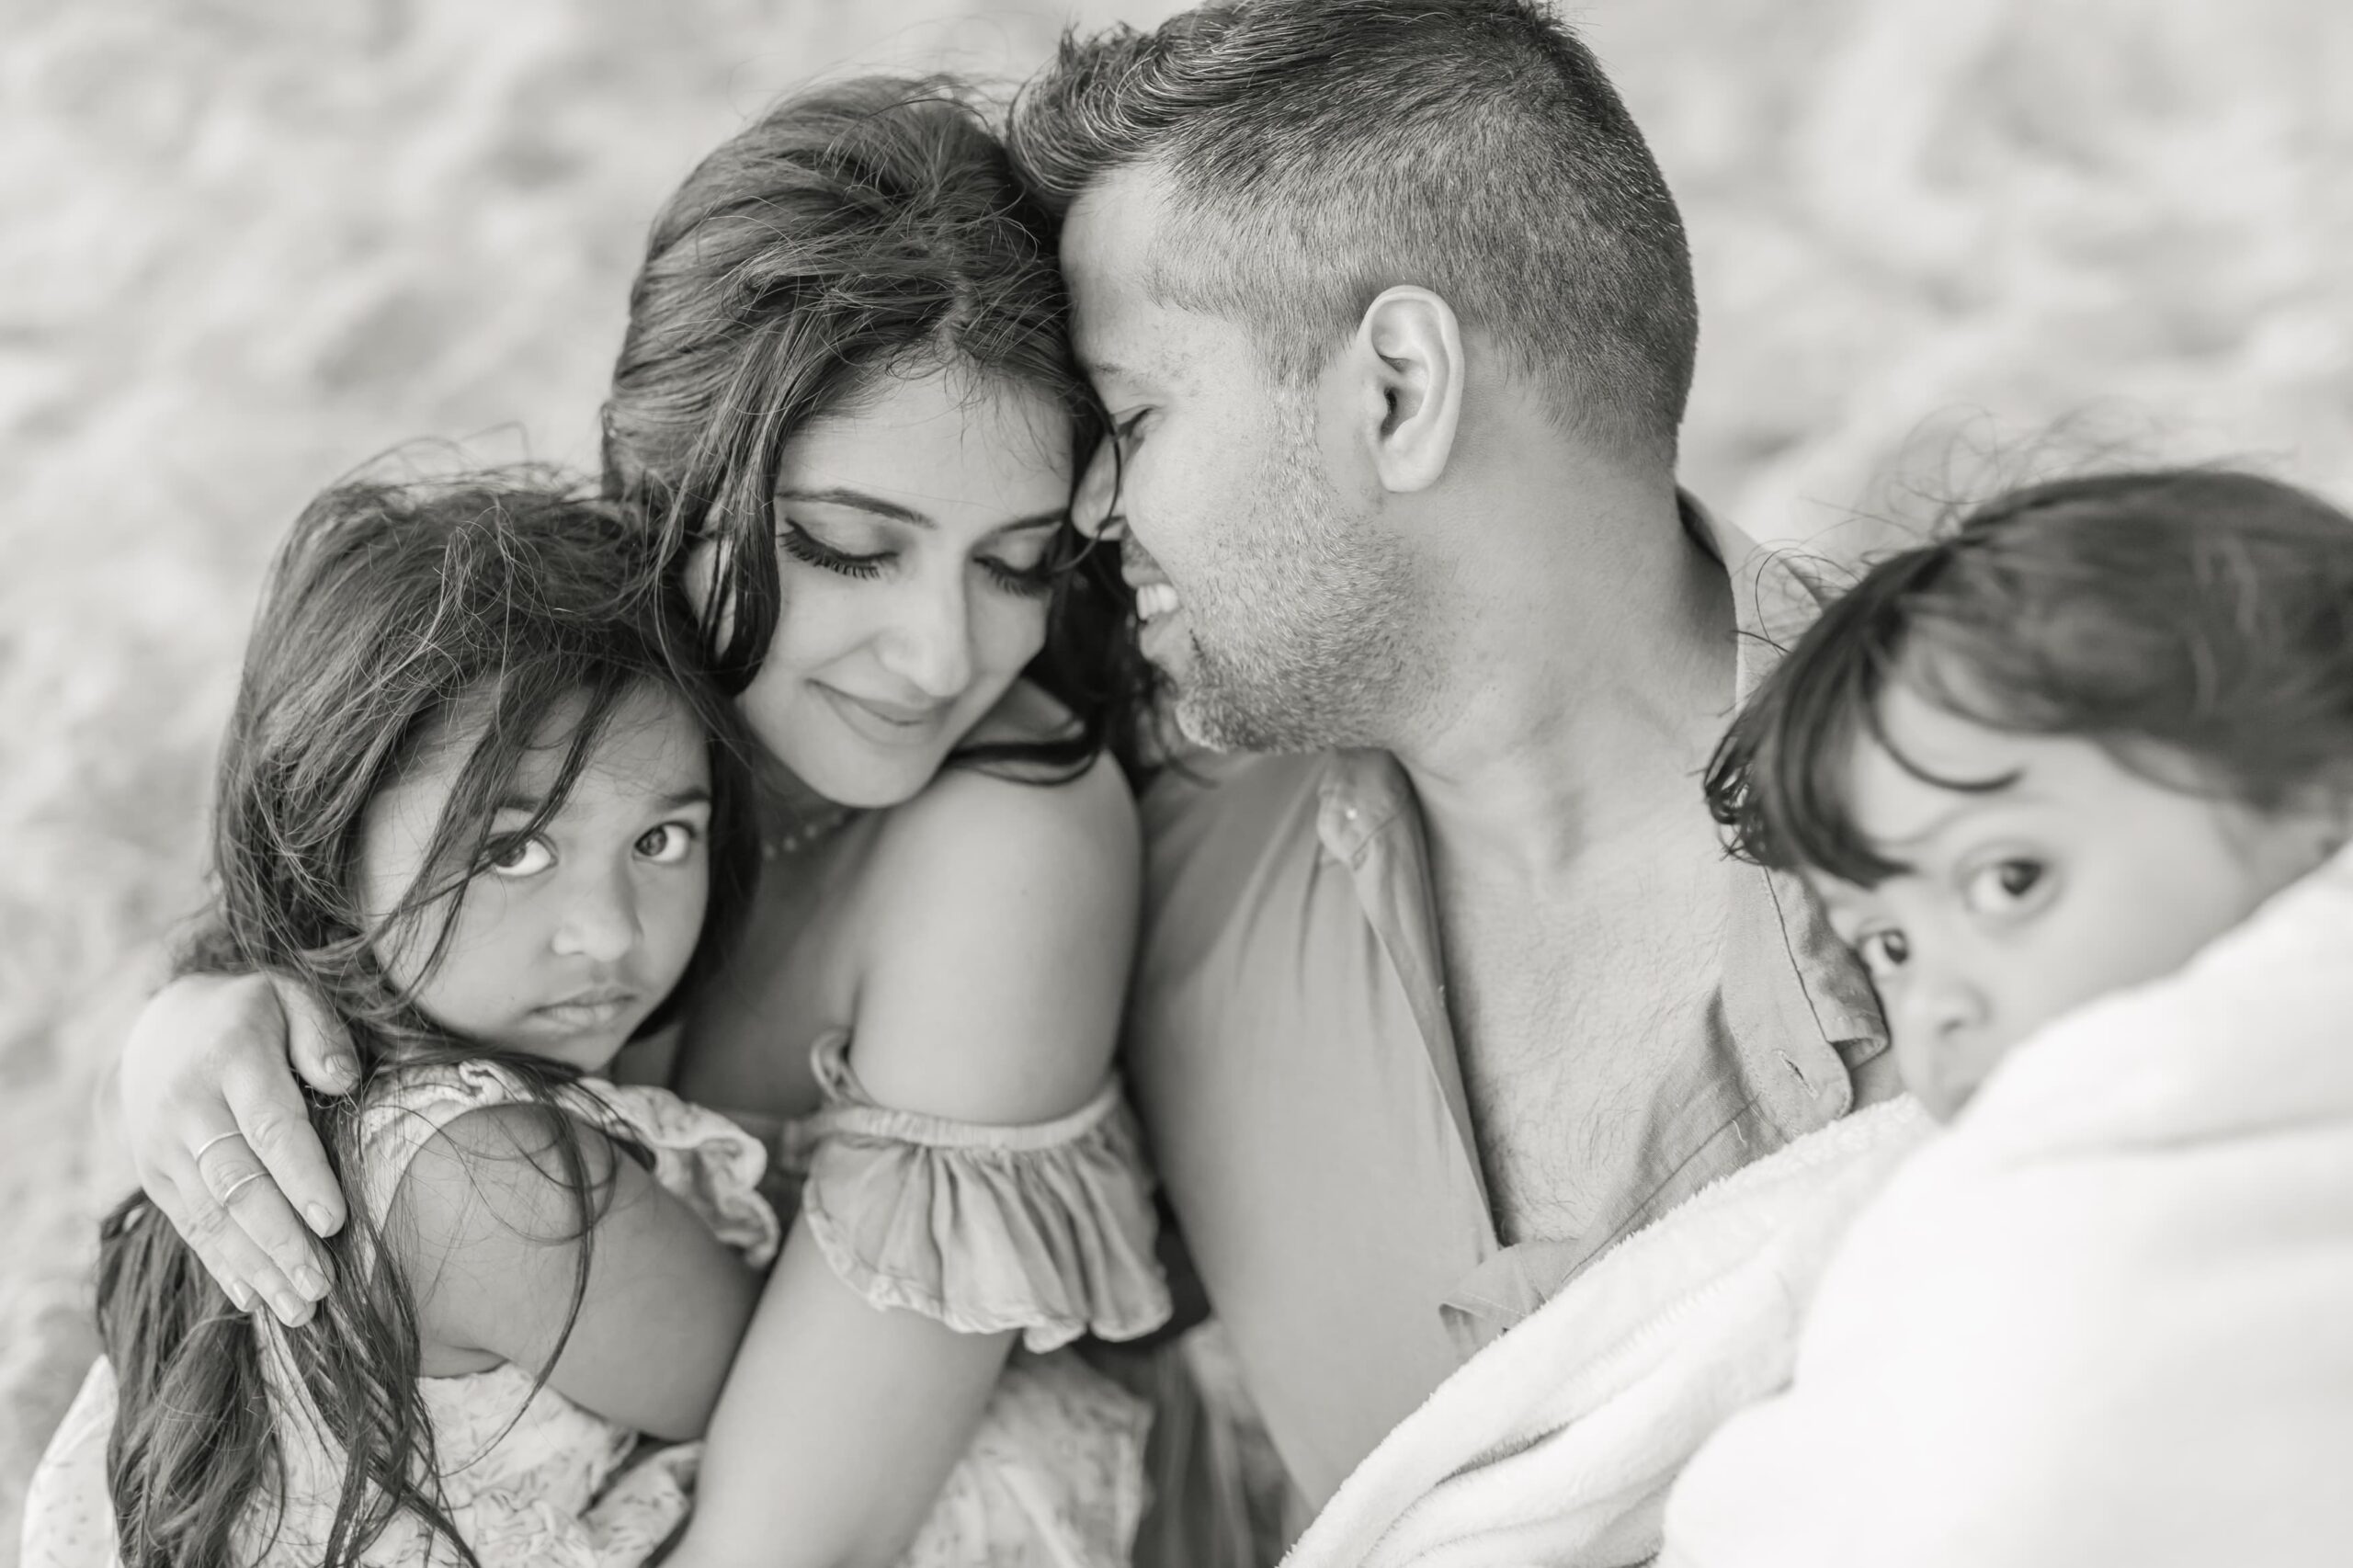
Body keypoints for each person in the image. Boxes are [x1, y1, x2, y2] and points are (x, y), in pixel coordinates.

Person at [93, 81, 1237, 1568]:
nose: (943, 657)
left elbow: (788, 1543)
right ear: (665, 477)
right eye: (846, 548)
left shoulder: (1003, 842)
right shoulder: (550, 673)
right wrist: (187, 1026)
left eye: (1018, 564)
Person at [1002, 0, 1896, 1524]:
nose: (1089, 508)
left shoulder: (2026, 824)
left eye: (1136, 414)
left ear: (1399, 390)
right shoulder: (1135, 893)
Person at [22, 474, 1156, 1568]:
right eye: (513, 849)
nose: (609, 933)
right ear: (325, 835)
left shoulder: (301, 1078)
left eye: (661, 840)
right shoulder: (486, 1178)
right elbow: (774, 1383)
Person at [1654, 468, 2353, 1564]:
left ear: (2320, 798)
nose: (1937, 1002)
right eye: (1885, 945)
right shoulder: (1956, 1207)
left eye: (2009, 879)